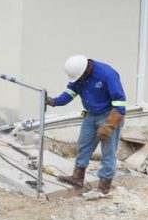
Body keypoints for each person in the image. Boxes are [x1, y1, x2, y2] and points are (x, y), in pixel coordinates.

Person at [45, 55, 126, 195]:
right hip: (90, 114)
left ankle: (104, 186)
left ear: (87, 69)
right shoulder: (79, 75)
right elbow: (70, 92)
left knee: (108, 153)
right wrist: (54, 101)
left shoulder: (107, 74)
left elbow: (120, 104)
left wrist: (109, 125)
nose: (79, 81)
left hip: (109, 115)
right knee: (83, 146)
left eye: (80, 77)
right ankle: (78, 177)